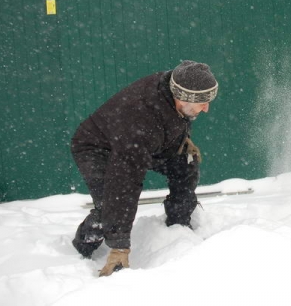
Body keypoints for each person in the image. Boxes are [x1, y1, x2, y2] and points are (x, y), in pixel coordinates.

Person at [70, 60, 218, 277]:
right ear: (181, 97)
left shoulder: (175, 89)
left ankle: (178, 226)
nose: (206, 108)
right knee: (110, 206)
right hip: (99, 147)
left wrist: (182, 140)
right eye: (202, 102)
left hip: (146, 142)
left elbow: (177, 118)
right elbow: (124, 183)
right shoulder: (140, 117)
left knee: (185, 162)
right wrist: (120, 246)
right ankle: (81, 248)